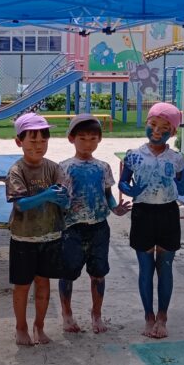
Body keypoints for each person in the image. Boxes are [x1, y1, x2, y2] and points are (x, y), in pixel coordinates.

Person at [119, 103, 184, 339]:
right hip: (142, 213)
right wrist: (129, 190)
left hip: (168, 214)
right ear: (146, 123)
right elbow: (123, 181)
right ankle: (149, 316)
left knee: (165, 266)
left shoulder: (176, 158)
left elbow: (180, 186)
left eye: (165, 127)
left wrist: (183, 189)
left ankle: (163, 316)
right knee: (145, 268)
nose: (157, 130)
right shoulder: (134, 155)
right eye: (153, 124)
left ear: (172, 132)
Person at [58, 114, 130, 335]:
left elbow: (107, 194)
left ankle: (96, 313)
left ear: (99, 139)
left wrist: (115, 208)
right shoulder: (64, 168)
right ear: (71, 139)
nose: (87, 144)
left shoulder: (103, 167)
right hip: (72, 228)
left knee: (98, 273)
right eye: (82, 138)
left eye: (92, 139)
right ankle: (67, 313)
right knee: (67, 272)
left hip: (99, 227)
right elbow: (59, 198)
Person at [6, 113, 70, 346]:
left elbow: (64, 198)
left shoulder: (54, 168)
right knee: (22, 286)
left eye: (43, 141)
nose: (38, 146)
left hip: (50, 235)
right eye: (32, 141)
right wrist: (47, 195)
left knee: (43, 284)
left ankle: (39, 326)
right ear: (19, 142)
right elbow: (21, 204)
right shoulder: (17, 170)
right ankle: (20, 327)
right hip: (23, 237)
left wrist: (62, 197)